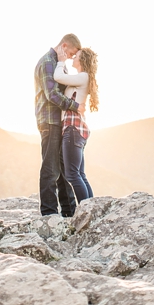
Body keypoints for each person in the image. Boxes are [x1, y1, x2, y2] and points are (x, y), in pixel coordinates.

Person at [34, 34, 85, 217]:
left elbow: (66, 86)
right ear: (64, 46)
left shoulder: (58, 64)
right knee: (50, 167)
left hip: (59, 122)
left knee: (64, 169)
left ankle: (69, 213)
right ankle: (49, 214)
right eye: (71, 53)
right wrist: (75, 106)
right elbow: (52, 95)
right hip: (49, 121)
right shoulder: (48, 62)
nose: (72, 58)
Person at [54, 47, 98, 204]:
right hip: (77, 130)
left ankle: (86, 211)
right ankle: (91, 210)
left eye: (76, 56)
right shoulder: (82, 78)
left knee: (72, 174)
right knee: (80, 173)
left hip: (73, 129)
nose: (73, 58)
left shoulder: (83, 77)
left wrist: (60, 61)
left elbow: (58, 77)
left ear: (83, 60)